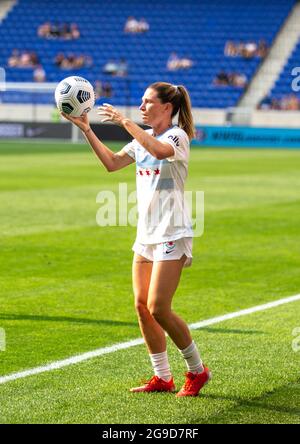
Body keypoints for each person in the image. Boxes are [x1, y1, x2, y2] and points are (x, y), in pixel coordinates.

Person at [60, 82, 211, 397]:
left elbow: (159, 151)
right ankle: (162, 376)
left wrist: (125, 122)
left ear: (166, 107)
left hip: (173, 231)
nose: (142, 107)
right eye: (141, 102)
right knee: (142, 306)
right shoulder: (142, 138)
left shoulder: (176, 136)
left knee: (159, 307)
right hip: (146, 234)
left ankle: (197, 371)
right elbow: (112, 164)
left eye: (147, 101)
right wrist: (88, 129)